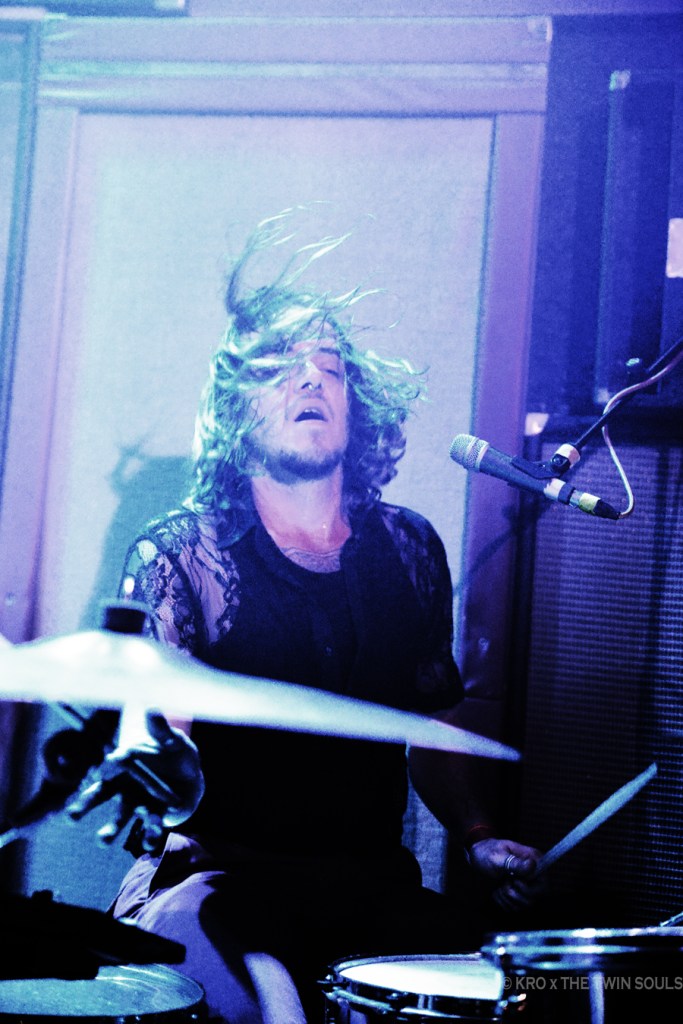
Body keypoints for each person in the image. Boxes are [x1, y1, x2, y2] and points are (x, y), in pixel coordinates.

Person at [68, 211, 543, 1024]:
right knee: (273, 1008)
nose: (311, 381)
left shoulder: (408, 548)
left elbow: (429, 726)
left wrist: (475, 835)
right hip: (216, 880)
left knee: (519, 992)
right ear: (234, 407)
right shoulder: (180, 555)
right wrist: (155, 756)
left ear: (356, 410)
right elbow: (162, 735)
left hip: (364, 880)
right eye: (281, 368)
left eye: (329, 367)